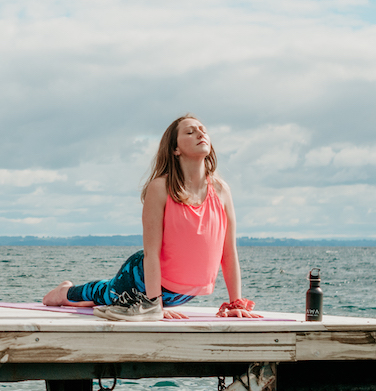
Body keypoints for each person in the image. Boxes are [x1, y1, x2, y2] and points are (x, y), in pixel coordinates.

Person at [43, 114, 260, 321]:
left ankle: (73, 293)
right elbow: (151, 252)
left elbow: (228, 252)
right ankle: (64, 293)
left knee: (102, 296)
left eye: (203, 131)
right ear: (175, 149)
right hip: (141, 281)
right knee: (104, 293)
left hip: (181, 294)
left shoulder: (221, 190)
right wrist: (153, 304)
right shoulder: (160, 188)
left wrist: (236, 304)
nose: (200, 134)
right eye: (190, 132)